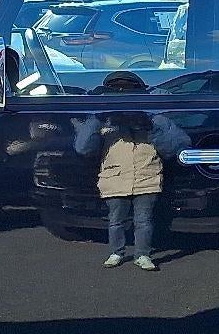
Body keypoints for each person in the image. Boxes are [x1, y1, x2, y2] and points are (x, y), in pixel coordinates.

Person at [72, 72, 189, 270]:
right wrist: (99, 118)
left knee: (144, 220)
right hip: (115, 178)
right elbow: (83, 148)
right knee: (115, 220)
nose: (122, 96)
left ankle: (142, 255)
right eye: (115, 92)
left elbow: (177, 146)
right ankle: (116, 253)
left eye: (128, 92)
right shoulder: (100, 119)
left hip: (147, 177)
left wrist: (149, 125)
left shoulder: (155, 117)